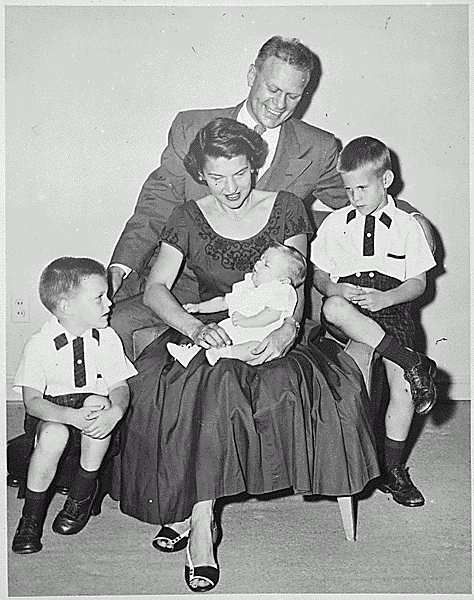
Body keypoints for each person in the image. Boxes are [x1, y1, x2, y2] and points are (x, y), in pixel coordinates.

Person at [112, 118, 380, 593]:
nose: (231, 187)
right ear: (201, 175)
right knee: (189, 386)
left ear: (254, 166)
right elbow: (156, 289)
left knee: (224, 389)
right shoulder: (187, 217)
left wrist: (288, 332)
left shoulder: (286, 208)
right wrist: (195, 327)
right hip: (213, 329)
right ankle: (201, 524)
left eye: (239, 173)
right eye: (217, 177)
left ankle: (195, 522)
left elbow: (295, 285)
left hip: (277, 334)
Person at [107, 35, 435, 359]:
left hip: (270, 297)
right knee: (117, 324)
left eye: (293, 96)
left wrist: (411, 218)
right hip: (188, 288)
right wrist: (122, 265)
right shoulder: (191, 126)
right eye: (273, 89)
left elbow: (359, 196)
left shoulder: (318, 148)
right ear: (252, 76)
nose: (279, 105)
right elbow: (157, 202)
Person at [310, 136, 437, 509]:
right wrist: (336, 286)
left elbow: (417, 282)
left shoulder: (406, 225)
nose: (354, 196)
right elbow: (320, 274)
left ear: (386, 180)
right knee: (332, 307)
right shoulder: (335, 224)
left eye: (362, 187)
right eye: (348, 189)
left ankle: (393, 470)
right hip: (350, 308)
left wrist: (387, 298)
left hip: (391, 305)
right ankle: (415, 362)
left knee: (405, 391)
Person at [11, 257, 137, 554]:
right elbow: (32, 403)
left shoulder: (105, 338)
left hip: (91, 417)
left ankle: (81, 495)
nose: (109, 304)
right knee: (56, 434)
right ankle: (30, 517)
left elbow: (120, 386)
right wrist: (71, 417)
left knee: (98, 404)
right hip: (52, 413)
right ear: (67, 307)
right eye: (99, 298)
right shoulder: (40, 344)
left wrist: (115, 411)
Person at [167, 241, 306, 367]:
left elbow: (272, 314)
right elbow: (224, 301)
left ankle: (215, 356)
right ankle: (193, 353)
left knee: (254, 349)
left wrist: (247, 321)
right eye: (260, 259)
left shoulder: (281, 290)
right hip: (238, 329)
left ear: (283, 280)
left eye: (266, 265)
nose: (257, 264)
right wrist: (199, 307)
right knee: (216, 334)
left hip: (261, 334)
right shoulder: (247, 285)